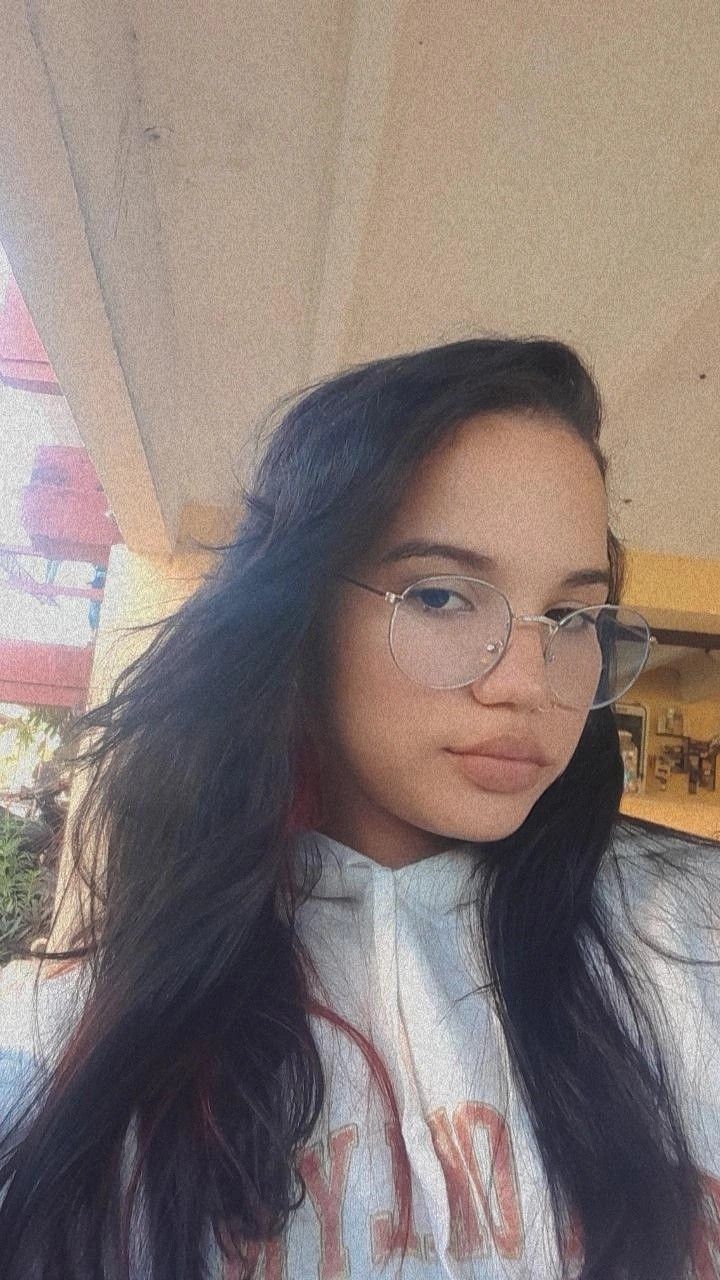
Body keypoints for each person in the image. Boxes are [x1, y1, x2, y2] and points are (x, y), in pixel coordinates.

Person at [0, 336, 718, 1280]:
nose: (528, 681)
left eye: (570, 616)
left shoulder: (690, 936)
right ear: (300, 612)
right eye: (441, 595)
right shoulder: (57, 1042)